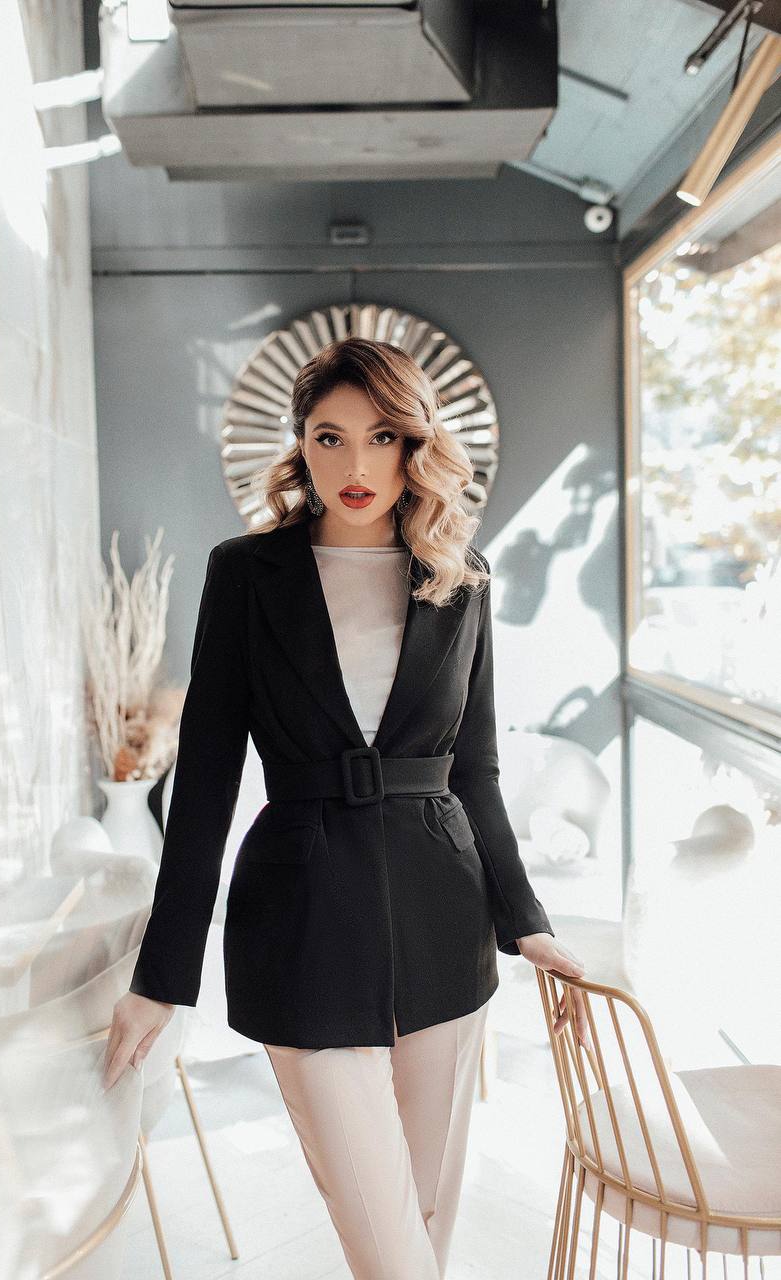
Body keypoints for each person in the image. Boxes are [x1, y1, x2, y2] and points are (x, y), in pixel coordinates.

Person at [104, 337, 589, 1278]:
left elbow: (474, 771)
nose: (356, 466)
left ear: (415, 447)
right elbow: (202, 780)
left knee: (427, 1221)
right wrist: (162, 975)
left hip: (443, 917)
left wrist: (526, 925)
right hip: (301, 916)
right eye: (330, 438)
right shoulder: (246, 574)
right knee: (390, 1247)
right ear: (300, 446)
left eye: (381, 437)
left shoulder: (461, 575)